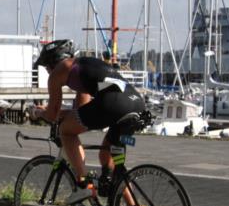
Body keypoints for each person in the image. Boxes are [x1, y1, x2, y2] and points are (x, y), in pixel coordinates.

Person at [28, 39, 146, 197]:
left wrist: (38, 113)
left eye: (46, 67)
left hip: (113, 105)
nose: (47, 71)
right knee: (107, 157)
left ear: (52, 62)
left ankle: (84, 185)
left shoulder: (59, 71)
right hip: (136, 104)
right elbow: (80, 112)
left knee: (66, 132)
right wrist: (56, 113)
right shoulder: (84, 67)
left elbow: (52, 115)